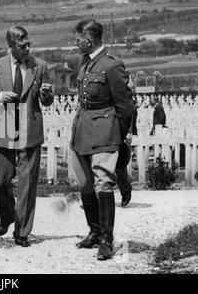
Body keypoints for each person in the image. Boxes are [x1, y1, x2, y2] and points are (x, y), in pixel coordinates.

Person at [0, 25, 54, 247]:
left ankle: (22, 231)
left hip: (29, 132)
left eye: (29, 45)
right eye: (22, 46)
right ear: (10, 46)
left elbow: (48, 100)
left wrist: (47, 95)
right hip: (3, 129)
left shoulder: (39, 66)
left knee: (26, 185)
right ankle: (7, 215)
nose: (28, 49)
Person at [70, 19, 133, 260]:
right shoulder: (84, 63)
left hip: (105, 130)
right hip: (83, 128)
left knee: (103, 182)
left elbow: (125, 107)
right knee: (85, 183)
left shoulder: (111, 65)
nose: (76, 42)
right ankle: (94, 232)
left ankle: (107, 240)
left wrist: (119, 136)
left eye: (78, 37)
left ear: (91, 38)